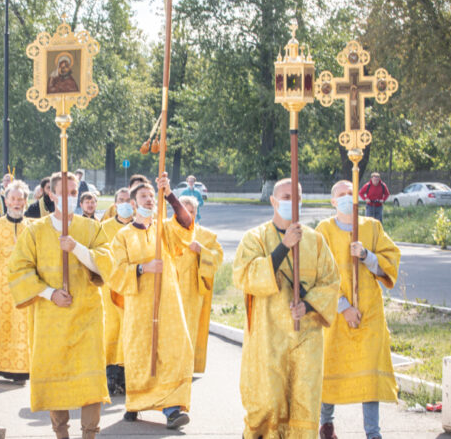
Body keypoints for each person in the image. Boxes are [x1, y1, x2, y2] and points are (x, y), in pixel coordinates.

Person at [233, 178, 340, 439]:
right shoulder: (254, 238)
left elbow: (330, 281)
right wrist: (284, 246)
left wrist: (308, 305)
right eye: (285, 196)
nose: (291, 202)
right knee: (268, 401)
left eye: (296, 197)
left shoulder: (315, 241)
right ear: (273, 201)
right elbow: (244, 276)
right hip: (268, 335)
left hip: (306, 335)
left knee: (304, 401)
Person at [9, 171, 113, 439]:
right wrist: (49, 293)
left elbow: (106, 263)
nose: (69, 197)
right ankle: (61, 434)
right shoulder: (34, 230)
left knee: (90, 379)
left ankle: (90, 434)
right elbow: (20, 270)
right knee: (55, 376)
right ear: (50, 195)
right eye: (63, 192)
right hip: (51, 316)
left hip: (86, 314)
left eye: (73, 192)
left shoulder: (91, 228)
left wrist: (77, 248)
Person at [108, 173, 195, 429]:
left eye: (151, 196)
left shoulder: (163, 228)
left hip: (168, 302)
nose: (148, 199)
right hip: (140, 306)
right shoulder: (122, 236)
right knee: (141, 352)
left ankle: (171, 408)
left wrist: (168, 194)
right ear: (133, 204)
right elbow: (115, 272)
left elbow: (187, 223)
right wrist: (142, 268)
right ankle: (137, 402)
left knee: (174, 349)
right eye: (143, 196)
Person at [316, 180, 401, 439]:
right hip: (337, 312)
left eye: (350, 193)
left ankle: (373, 433)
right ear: (333, 202)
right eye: (341, 194)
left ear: (358, 198)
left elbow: (390, 263)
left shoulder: (372, 227)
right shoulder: (324, 231)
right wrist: (344, 307)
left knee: (369, 374)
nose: (346, 197)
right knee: (330, 366)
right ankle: (326, 423)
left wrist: (366, 256)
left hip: (369, 313)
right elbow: (318, 274)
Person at [0, 180, 32, 383]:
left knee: (22, 327)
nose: (17, 202)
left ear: (26, 201)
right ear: (6, 200)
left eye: (21, 199)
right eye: (13, 198)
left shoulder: (33, 227)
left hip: (25, 284)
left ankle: (21, 369)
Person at [175, 195, 223, 373]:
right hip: (169, 289)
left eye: (192, 211)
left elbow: (218, 257)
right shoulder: (165, 231)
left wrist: (202, 251)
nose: (187, 214)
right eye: (183, 210)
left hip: (193, 292)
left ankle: (186, 367)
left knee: (189, 327)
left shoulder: (205, 235)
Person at [100, 187, 134, 395]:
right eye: (121, 200)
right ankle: (110, 373)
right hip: (109, 288)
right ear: (114, 204)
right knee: (111, 329)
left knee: (129, 330)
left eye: (129, 200)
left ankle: (128, 374)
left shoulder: (141, 228)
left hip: (133, 287)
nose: (125, 203)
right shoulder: (103, 228)